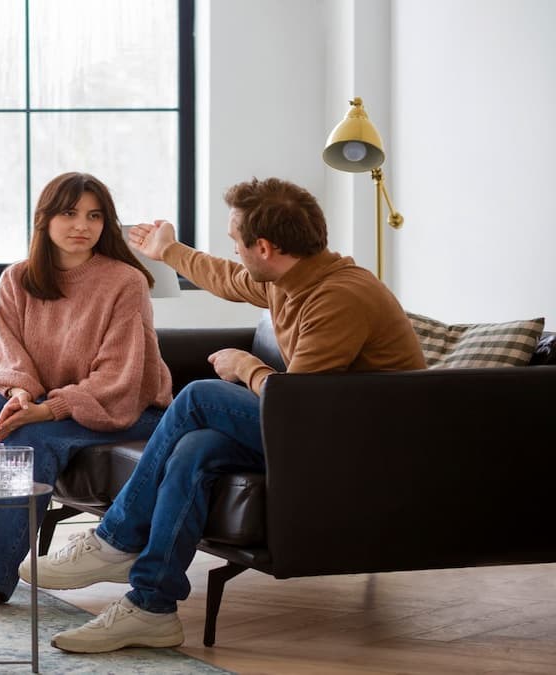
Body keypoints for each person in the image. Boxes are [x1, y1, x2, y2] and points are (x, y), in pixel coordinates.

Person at [23, 177, 426, 653]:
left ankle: (116, 539)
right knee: (197, 448)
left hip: (356, 447)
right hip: (316, 426)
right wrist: (168, 250)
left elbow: (300, 405)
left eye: (236, 241)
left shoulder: (339, 297)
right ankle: (151, 608)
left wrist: (246, 365)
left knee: (198, 397)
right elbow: (228, 278)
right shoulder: (291, 277)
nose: (232, 250)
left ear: (264, 246)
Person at [0, 172, 174, 615]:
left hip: (126, 408)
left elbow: (120, 376)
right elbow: (8, 354)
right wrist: (18, 394)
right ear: (44, 219)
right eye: (69, 213)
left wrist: (45, 409)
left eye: (94, 216)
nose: (82, 225)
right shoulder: (17, 279)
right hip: (46, 401)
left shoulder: (125, 281)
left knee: (27, 440)